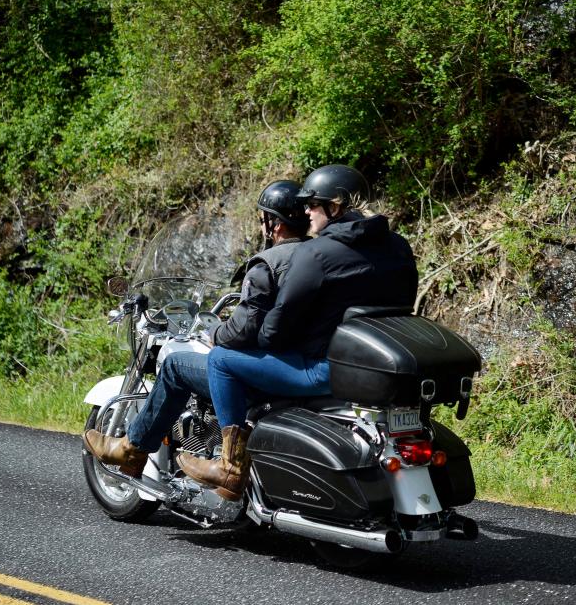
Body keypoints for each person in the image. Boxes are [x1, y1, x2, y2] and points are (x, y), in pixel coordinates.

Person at [178, 164, 418, 499]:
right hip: (373, 368)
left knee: (220, 359)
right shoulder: (398, 247)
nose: (306, 211)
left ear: (335, 207)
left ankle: (229, 466)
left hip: (323, 369)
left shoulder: (317, 253)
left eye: (313, 204)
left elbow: (274, 331)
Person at [83, 180, 310, 477]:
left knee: (177, 365)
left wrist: (215, 333)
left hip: (267, 371)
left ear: (275, 224)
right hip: (302, 363)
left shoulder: (267, 265)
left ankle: (133, 449)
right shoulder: (318, 257)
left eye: (263, 219)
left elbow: (245, 329)